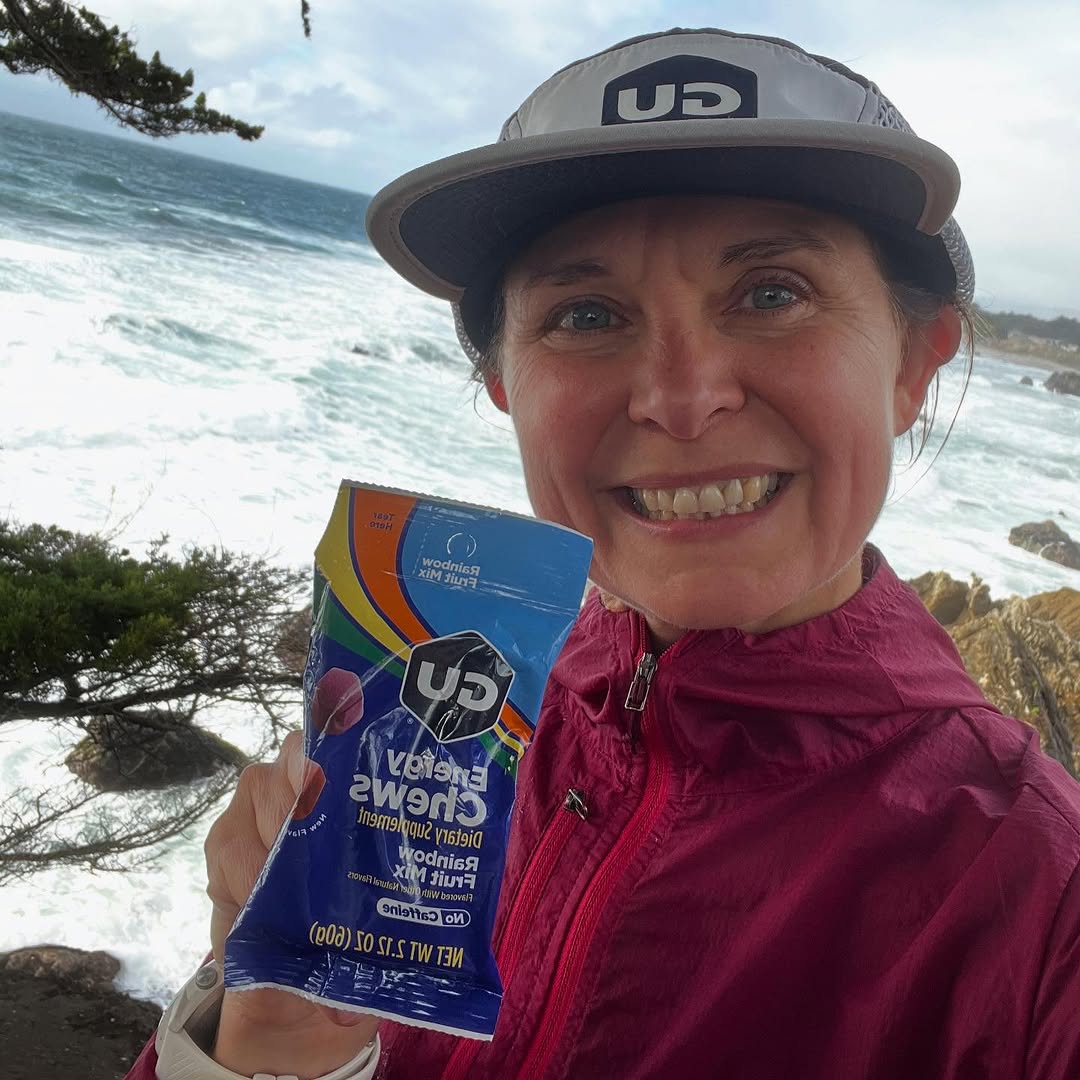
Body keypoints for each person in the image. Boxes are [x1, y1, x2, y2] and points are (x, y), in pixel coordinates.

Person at [126, 27, 1080, 1080]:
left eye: (773, 292)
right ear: (506, 386)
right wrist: (270, 1046)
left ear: (913, 364)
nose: (681, 397)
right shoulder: (438, 738)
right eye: (586, 314)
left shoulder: (1045, 904)